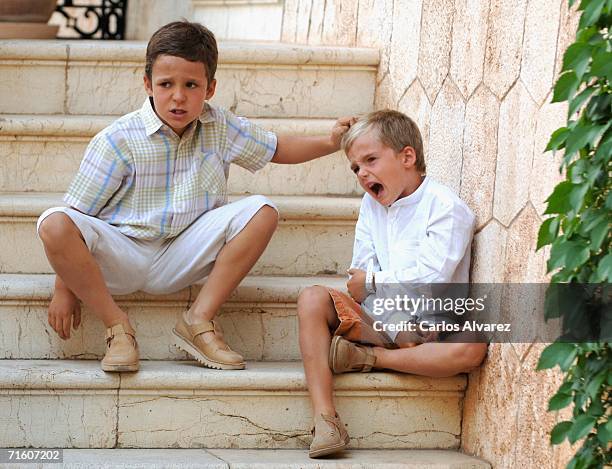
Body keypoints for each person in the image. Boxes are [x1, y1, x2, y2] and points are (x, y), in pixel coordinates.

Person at [37, 20, 352, 373]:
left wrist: (330, 142)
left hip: (183, 254)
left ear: (210, 88)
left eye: (191, 85)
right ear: (147, 84)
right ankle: (118, 328)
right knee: (53, 222)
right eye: (166, 84)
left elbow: (277, 148)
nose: (178, 96)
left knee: (262, 210)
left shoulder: (219, 127)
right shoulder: (117, 141)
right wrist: (64, 289)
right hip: (120, 254)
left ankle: (198, 321)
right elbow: (77, 216)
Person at [296, 110, 488, 458]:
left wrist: (373, 282)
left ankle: (369, 358)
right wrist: (392, 321)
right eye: (355, 167)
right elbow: (357, 280)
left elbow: (432, 280)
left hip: (432, 327)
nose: (362, 173)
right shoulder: (371, 207)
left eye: (370, 160)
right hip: (384, 323)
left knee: (473, 345)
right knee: (312, 299)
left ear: (407, 157)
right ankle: (326, 420)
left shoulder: (445, 208)